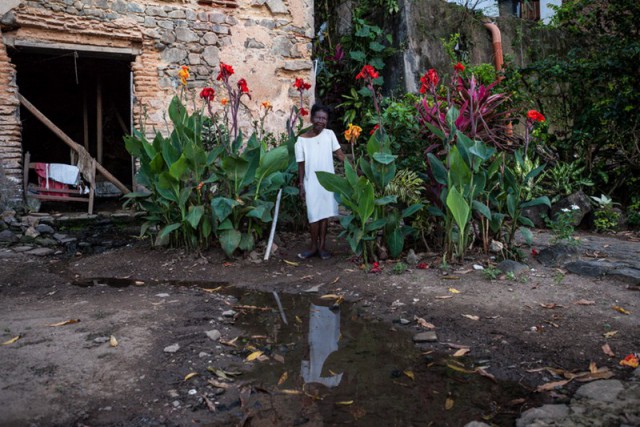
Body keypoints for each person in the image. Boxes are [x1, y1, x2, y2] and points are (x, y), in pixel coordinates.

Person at [295, 104, 345, 260]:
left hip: (328, 182)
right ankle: (313, 246)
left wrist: (354, 169)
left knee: (324, 214)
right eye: (318, 117)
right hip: (311, 182)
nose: (321, 121)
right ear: (311, 118)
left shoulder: (329, 135)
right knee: (313, 214)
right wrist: (301, 184)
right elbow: (301, 165)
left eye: (324, 119)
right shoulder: (301, 140)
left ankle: (322, 247)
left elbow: (340, 155)